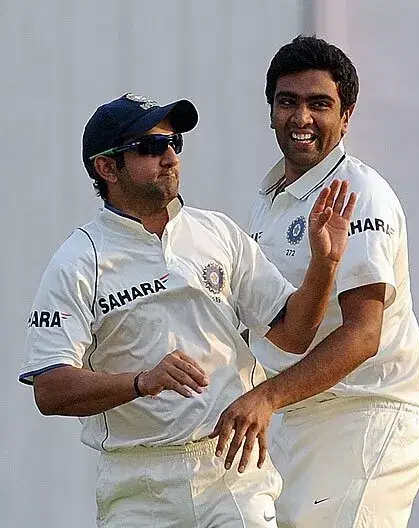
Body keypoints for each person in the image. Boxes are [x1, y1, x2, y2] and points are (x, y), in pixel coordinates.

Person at [18, 93, 356, 528]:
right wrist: (142, 382)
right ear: (106, 168)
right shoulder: (78, 261)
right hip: (138, 483)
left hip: (232, 472)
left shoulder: (217, 232)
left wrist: (323, 265)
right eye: (149, 147)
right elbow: (49, 388)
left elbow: (293, 334)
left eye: (173, 143)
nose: (169, 157)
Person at [209, 35, 419, 528]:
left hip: (364, 415)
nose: (301, 118)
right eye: (287, 102)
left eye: (319, 104)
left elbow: (363, 335)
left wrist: (265, 397)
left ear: (346, 115)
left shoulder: (359, 193)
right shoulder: (269, 199)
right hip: (294, 419)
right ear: (270, 112)